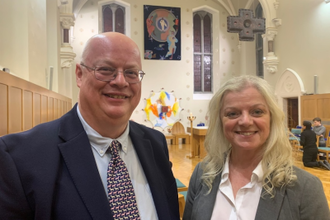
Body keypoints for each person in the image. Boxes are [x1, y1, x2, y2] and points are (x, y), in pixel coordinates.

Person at [0, 32, 180, 220]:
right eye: (105, 69)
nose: (120, 81)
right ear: (79, 74)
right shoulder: (20, 157)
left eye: (131, 73)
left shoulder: (156, 143)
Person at [183, 75, 330, 220]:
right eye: (232, 113)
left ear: (272, 118)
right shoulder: (202, 174)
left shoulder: (306, 188)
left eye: (257, 112)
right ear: (220, 121)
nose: (245, 121)